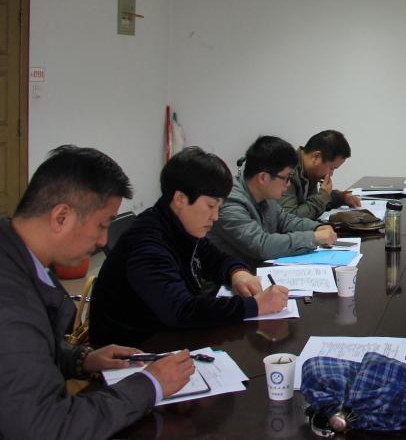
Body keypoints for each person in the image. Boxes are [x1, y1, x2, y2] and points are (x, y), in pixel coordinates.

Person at [0, 145, 194, 439]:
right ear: (61, 217)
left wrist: (81, 359)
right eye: (102, 225)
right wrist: (150, 385)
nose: (104, 240)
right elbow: (48, 427)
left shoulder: (13, 249)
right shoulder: (11, 305)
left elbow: (23, 353)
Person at [90, 147, 291, 347]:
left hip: (169, 335)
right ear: (180, 199)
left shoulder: (179, 224)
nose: (215, 216)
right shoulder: (148, 245)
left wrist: (237, 273)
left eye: (219, 207)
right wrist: (255, 305)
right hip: (137, 350)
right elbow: (181, 311)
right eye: (210, 206)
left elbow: (214, 258)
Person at [208, 136, 337, 267]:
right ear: (263, 177)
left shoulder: (263, 194)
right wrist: (314, 238)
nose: (288, 184)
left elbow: (285, 220)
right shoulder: (229, 202)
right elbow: (261, 245)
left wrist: (316, 227)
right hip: (229, 277)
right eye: (286, 178)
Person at [279, 130, 361, 220]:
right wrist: (322, 196)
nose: (331, 174)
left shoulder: (309, 171)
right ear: (316, 157)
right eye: (332, 168)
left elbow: (311, 203)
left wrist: (342, 197)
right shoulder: (286, 172)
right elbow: (290, 218)